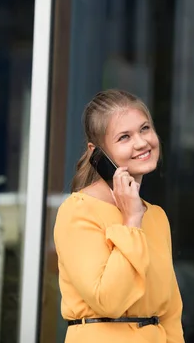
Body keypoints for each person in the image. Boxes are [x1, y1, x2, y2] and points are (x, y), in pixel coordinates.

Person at [53, 89, 184, 343]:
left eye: (145, 129)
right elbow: (108, 301)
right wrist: (131, 221)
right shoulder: (78, 210)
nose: (141, 142)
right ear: (97, 153)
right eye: (124, 137)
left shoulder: (157, 216)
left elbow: (170, 313)